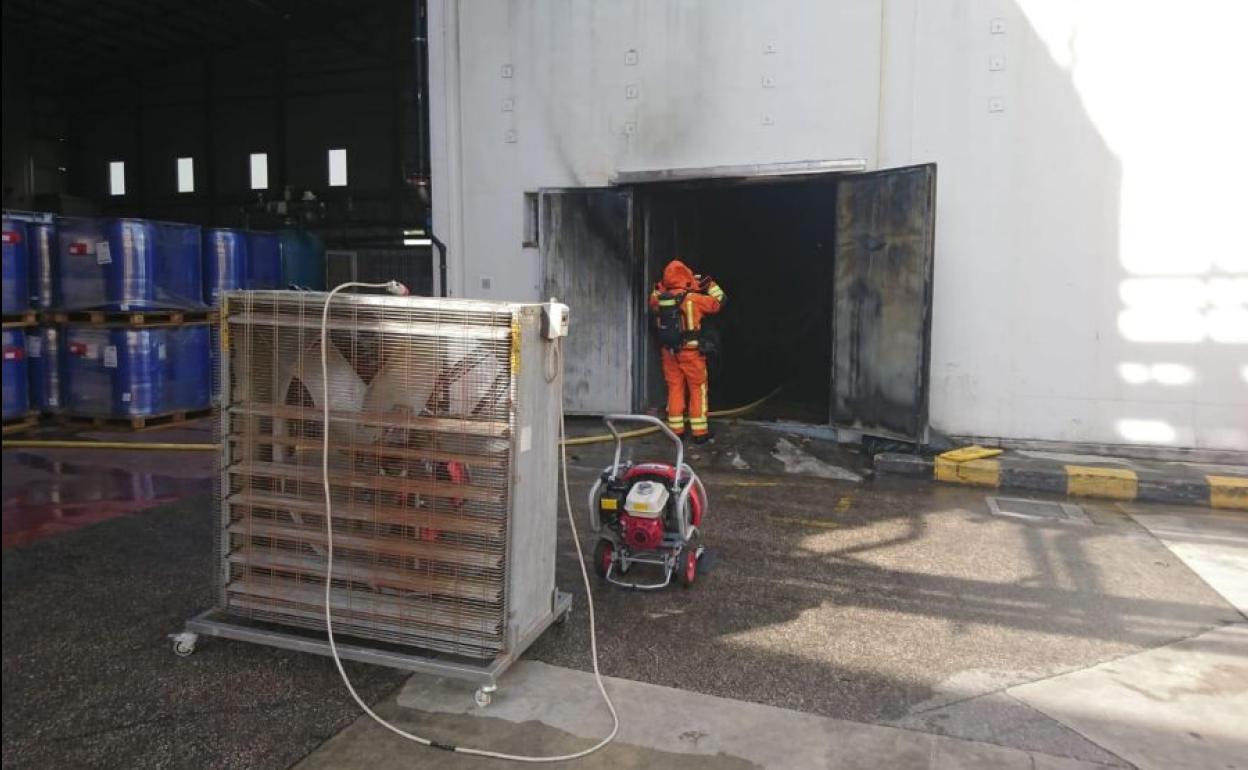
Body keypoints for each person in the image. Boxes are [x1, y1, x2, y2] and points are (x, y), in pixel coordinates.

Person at [649, 259, 725, 443]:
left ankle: (676, 432)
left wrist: (662, 286)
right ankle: (700, 433)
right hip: (691, 354)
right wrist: (709, 283)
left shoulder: (659, 299)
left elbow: (653, 297)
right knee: (697, 389)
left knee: (675, 389)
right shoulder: (694, 300)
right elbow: (720, 301)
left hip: (669, 353)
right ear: (686, 277)